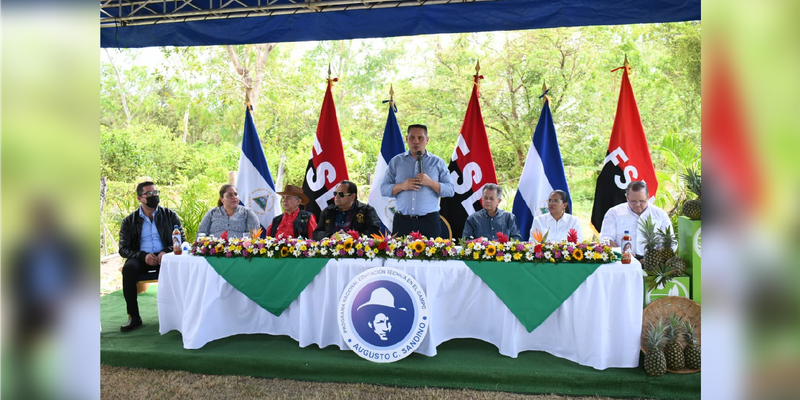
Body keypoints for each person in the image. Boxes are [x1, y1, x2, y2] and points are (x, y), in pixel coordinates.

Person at [119, 181, 183, 332]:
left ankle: (176, 316)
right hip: (141, 258)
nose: (154, 196)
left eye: (156, 192)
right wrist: (143, 255)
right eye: (149, 194)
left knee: (171, 269)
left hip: (164, 257)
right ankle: (134, 317)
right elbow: (123, 249)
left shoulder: (169, 215)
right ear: (139, 198)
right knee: (128, 269)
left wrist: (166, 251)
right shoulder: (129, 221)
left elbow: (182, 240)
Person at [380, 124, 455, 238]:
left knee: (431, 255)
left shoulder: (437, 163)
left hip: (429, 222)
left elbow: (450, 190)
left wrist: (430, 182)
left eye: (420, 138)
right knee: (400, 255)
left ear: (427, 140)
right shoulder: (396, 162)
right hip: (402, 221)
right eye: (412, 138)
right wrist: (402, 186)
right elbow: (383, 189)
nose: (416, 141)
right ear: (407, 139)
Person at [599, 181, 672, 256]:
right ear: (627, 198)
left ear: (648, 197)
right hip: (621, 260)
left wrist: (654, 257)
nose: (637, 204)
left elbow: (670, 242)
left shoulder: (660, 214)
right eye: (633, 201)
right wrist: (622, 254)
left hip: (653, 261)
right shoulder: (614, 213)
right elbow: (605, 239)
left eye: (642, 201)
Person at [312, 180, 381, 240]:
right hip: (331, 252)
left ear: (352, 196)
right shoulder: (327, 211)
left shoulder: (367, 211)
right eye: (335, 193)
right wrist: (330, 236)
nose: (337, 197)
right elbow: (316, 233)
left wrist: (353, 237)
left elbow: (375, 231)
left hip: (358, 252)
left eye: (341, 194)